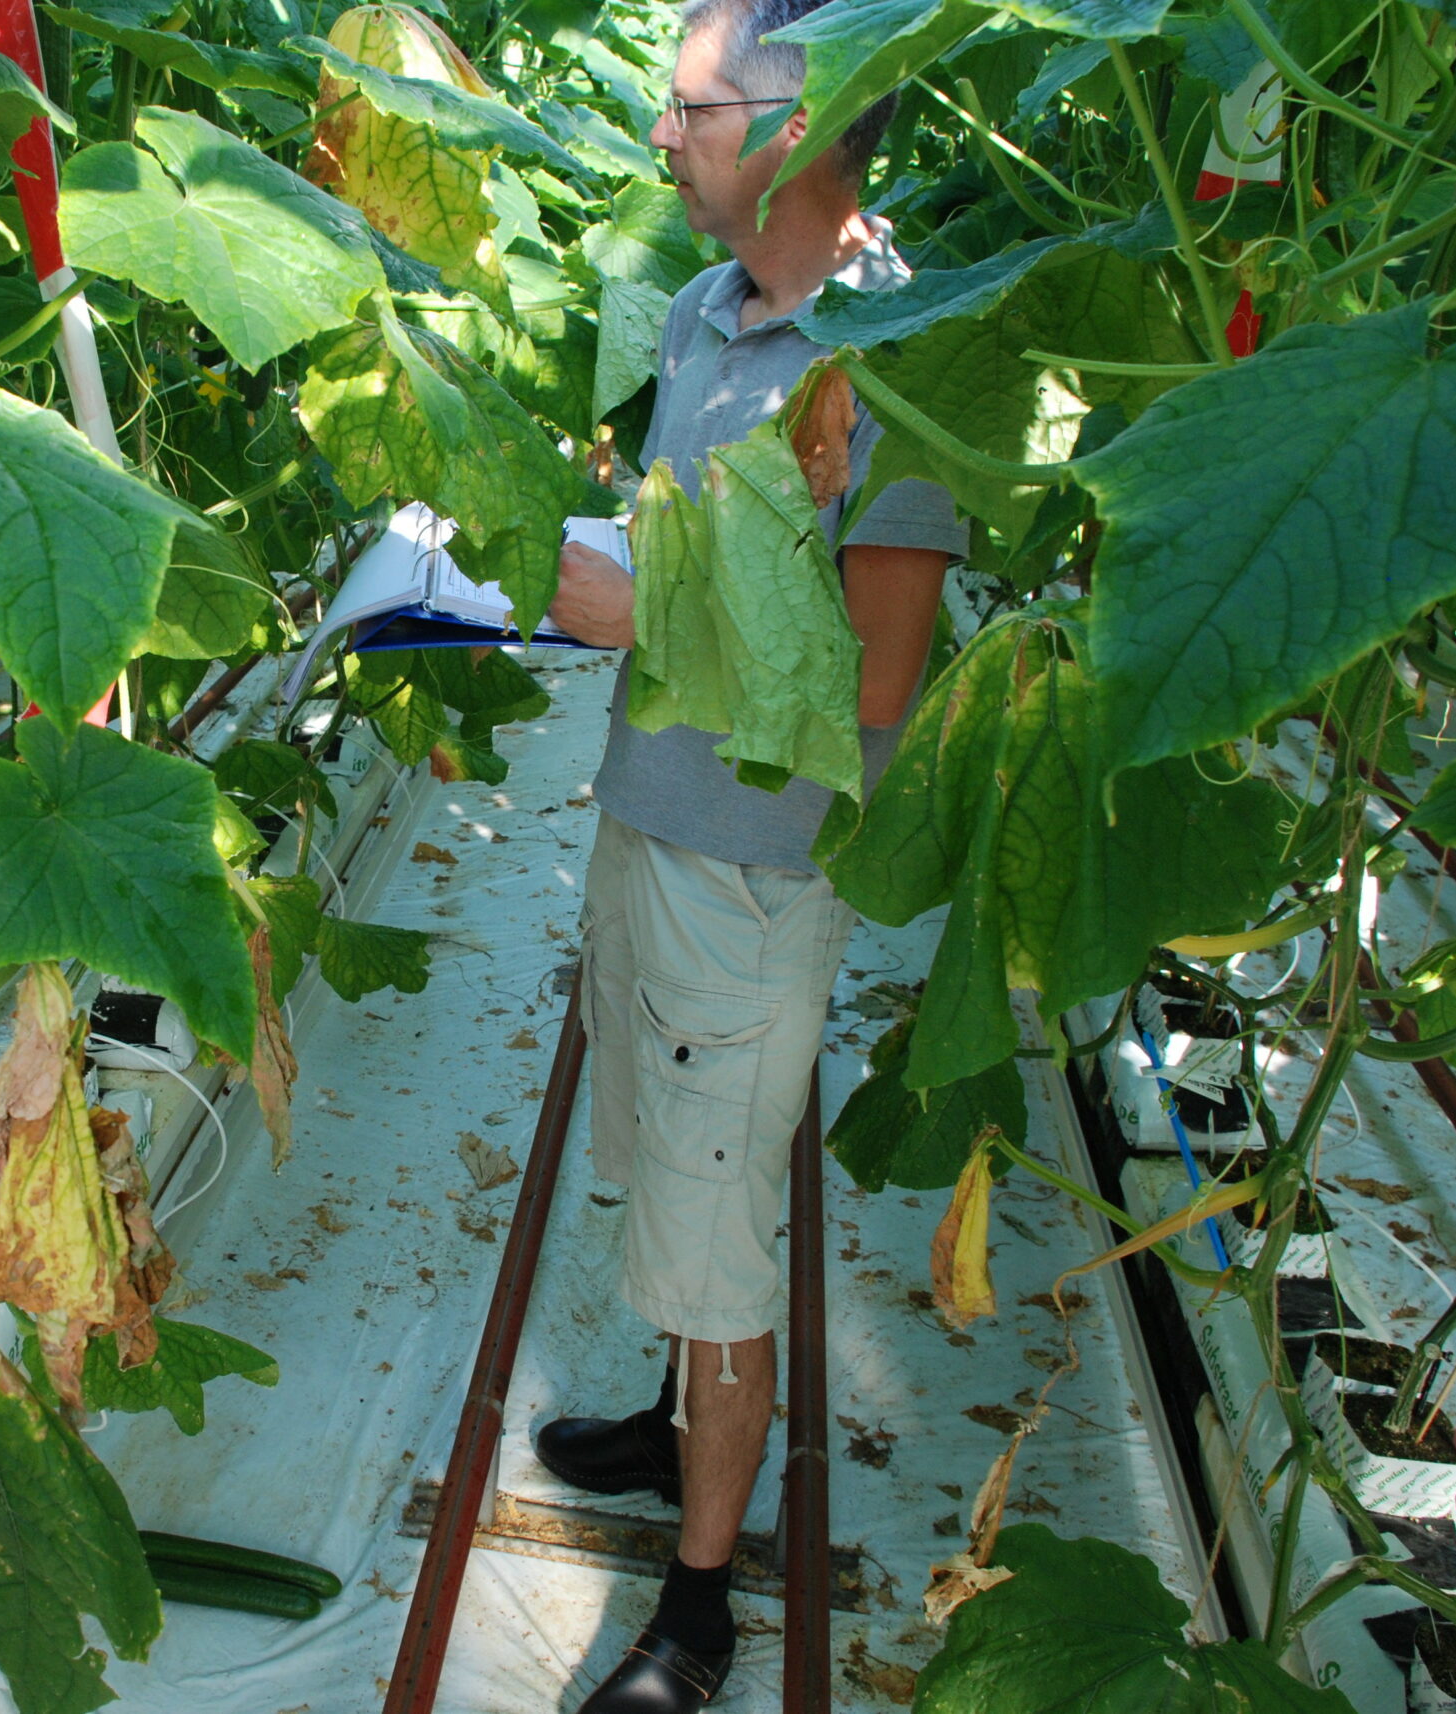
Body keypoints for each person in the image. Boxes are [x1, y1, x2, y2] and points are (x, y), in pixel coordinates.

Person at [537, 1, 964, 1707]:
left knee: (724, 1251)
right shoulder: (704, 314)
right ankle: (668, 1422)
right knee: (659, 1162)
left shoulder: (904, 352)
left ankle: (699, 1611)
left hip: (755, 879)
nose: (664, 140)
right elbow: (689, 567)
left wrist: (637, 614)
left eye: (690, 109)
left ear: (794, 129)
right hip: (647, 828)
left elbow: (876, 672)